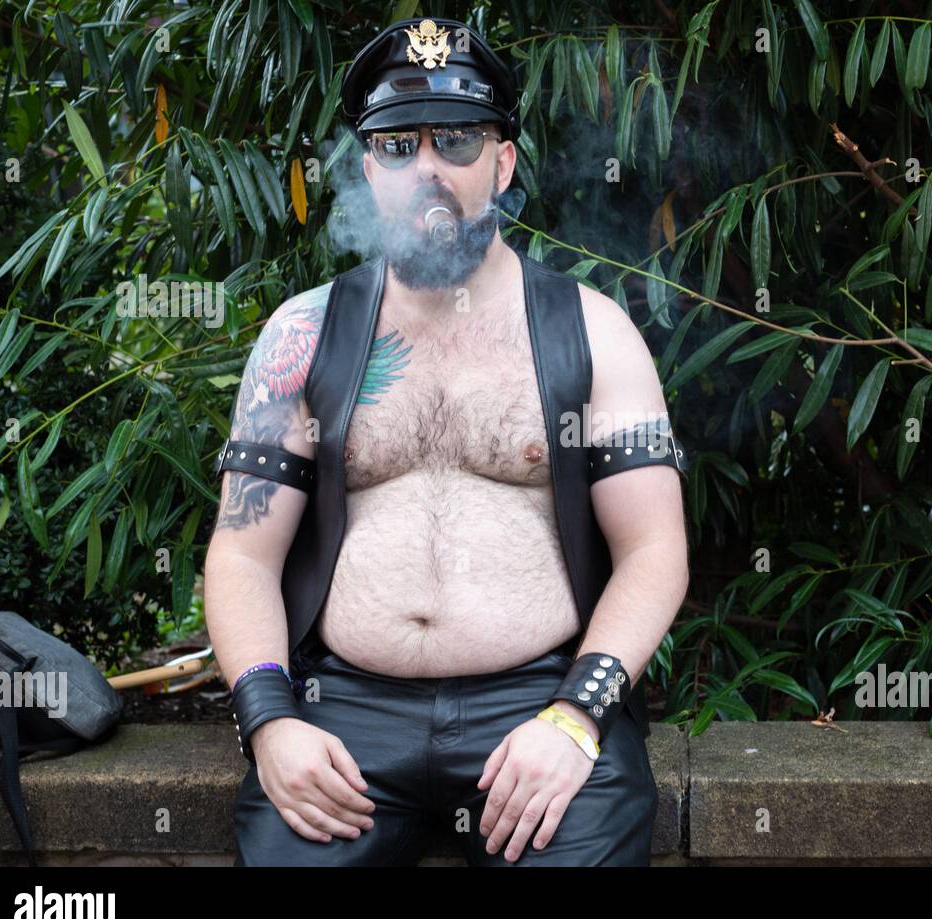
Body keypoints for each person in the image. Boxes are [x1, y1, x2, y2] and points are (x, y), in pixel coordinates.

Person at [203, 17, 690, 866]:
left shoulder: (593, 331)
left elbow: (655, 549)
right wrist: (269, 720)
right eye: (396, 145)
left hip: (540, 700)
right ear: (367, 168)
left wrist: (577, 717)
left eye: (457, 140)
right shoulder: (303, 335)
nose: (426, 167)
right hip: (341, 709)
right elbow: (243, 555)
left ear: (501, 162)